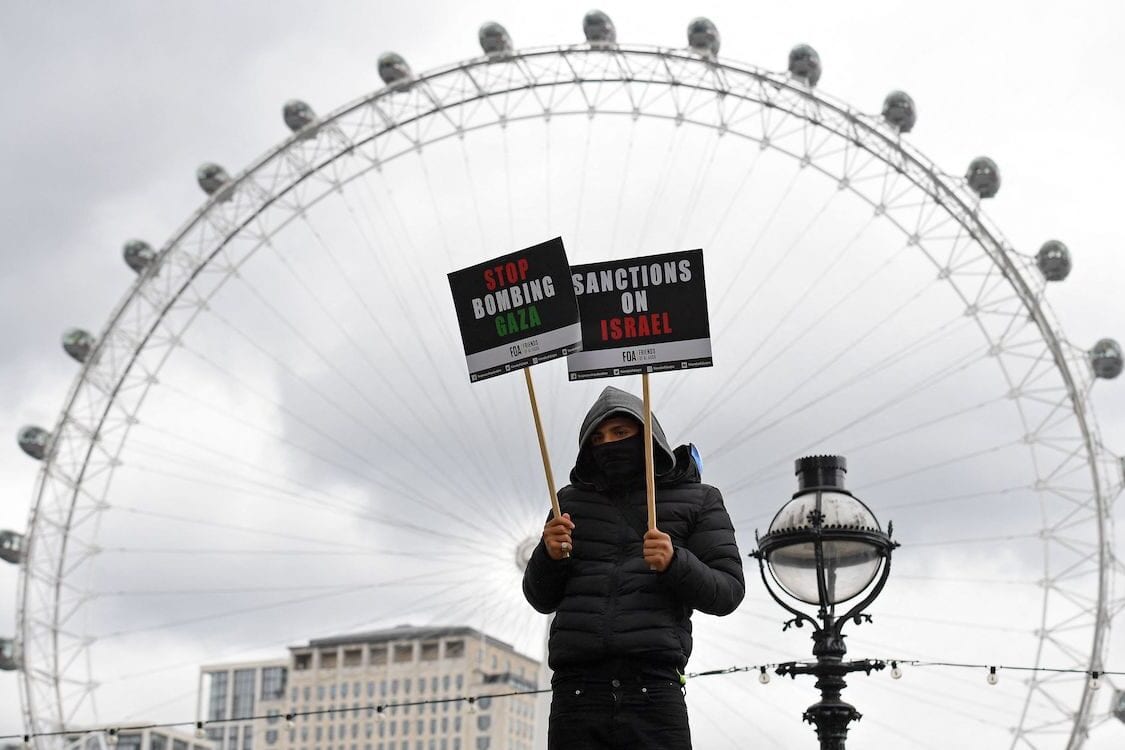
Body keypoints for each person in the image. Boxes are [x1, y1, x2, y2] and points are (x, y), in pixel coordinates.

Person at [522, 385, 745, 749]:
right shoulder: (566, 501)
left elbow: (728, 592)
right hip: (576, 694)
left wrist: (676, 562)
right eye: (598, 438)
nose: (609, 444)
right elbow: (540, 597)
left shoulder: (699, 499)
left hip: (653, 691)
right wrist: (548, 555)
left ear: (647, 435)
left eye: (621, 433)